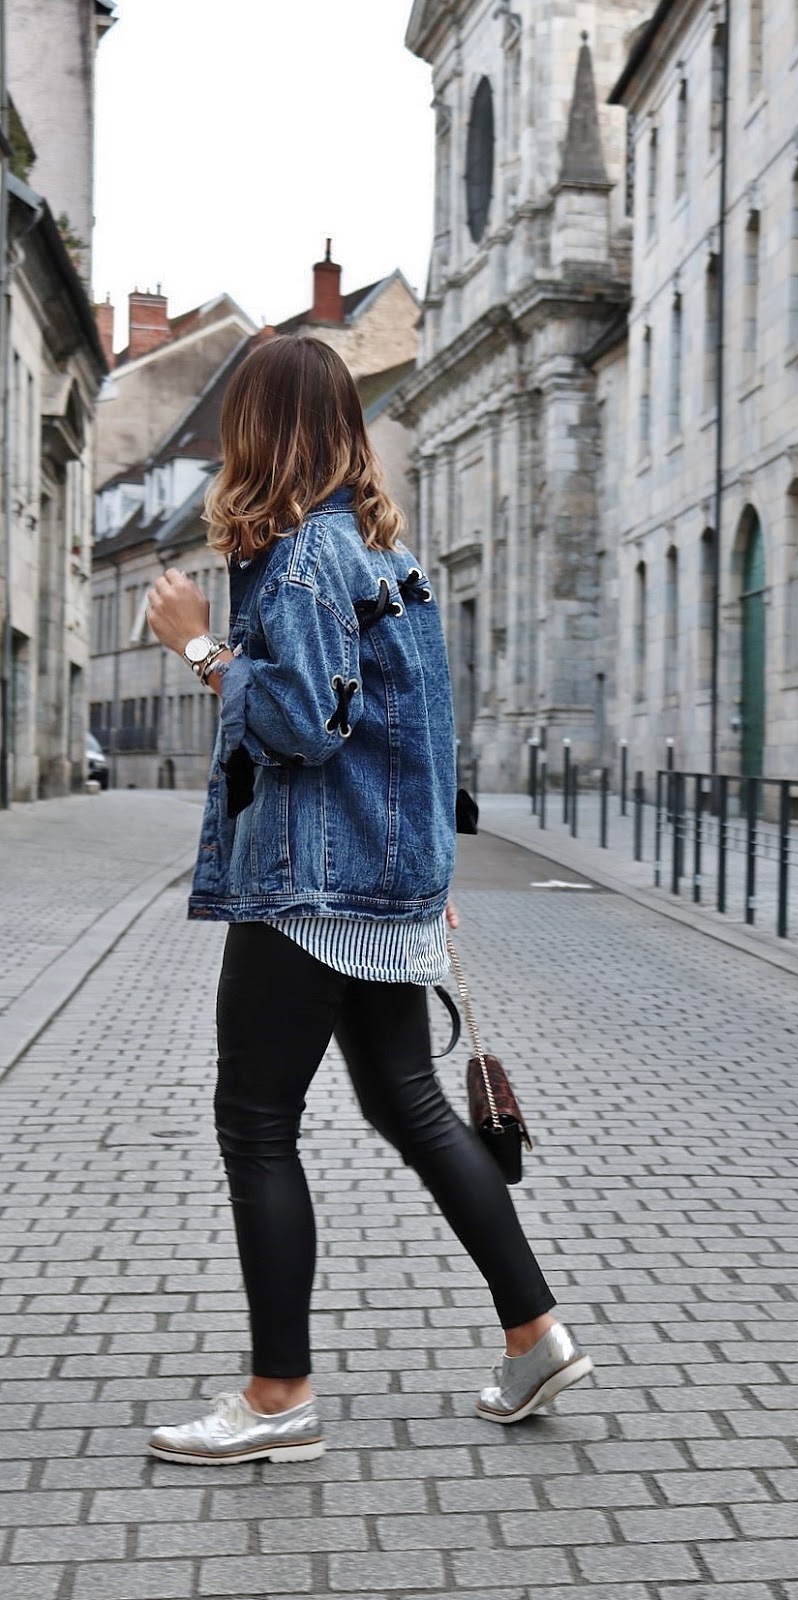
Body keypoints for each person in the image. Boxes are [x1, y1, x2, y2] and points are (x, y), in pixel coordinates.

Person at [143, 335, 591, 1466]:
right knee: (410, 1106)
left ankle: (277, 1395)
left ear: (260, 433)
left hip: (309, 890)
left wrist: (198, 644)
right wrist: (428, 887)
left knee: (255, 1123)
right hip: (379, 889)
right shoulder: (394, 564)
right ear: (341, 429)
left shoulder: (301, 563)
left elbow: (300, 723)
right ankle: (535, 1333)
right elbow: (429, 749)